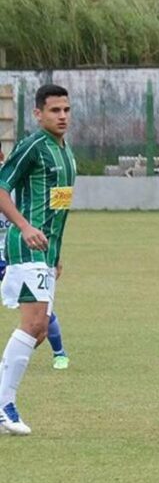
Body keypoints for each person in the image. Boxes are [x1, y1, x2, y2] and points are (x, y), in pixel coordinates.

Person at [0, 84, 77, 436]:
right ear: (38, 114)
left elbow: (58, 207)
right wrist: (24, 225)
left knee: (41, 330)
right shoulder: (33, 145)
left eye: (66, 110)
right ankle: (3, 406)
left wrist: (57, 254)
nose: (62, 116)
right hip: (26, 245)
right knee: (32, 325)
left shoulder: (66, 152)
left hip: (46, 252)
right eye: (54, 110)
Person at [0, 149, 70, 370]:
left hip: (20, 254)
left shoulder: (15, 178)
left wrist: (54, 254)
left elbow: (53, 212)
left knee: (39, 311)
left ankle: (59, 352)